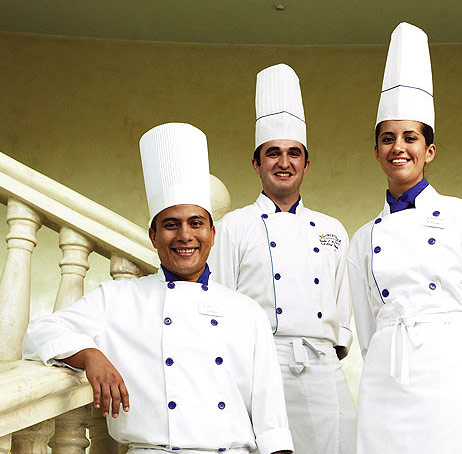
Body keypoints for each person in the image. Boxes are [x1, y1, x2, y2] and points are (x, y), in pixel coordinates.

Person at [23, 123, 293, 454]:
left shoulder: (246, 311)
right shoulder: (118, 299)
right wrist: (90, 356)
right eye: (170, 224)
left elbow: (272, 422)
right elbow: (39, 332)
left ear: (212, 233)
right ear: (153, 236)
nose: (185, 236)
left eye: (196, 223)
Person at [347, 22, 462, 454]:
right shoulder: (362, 239)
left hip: (454, 377)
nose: (398, 147)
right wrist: (384, 363)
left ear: (429, 150)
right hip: (387, 380)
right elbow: (368, 331)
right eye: (387, 139)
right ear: (377, 152)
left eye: (410, 138)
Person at [208, 64, 355, 454]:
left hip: (323, 368)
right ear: (256, 163)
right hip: (260, 367)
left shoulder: (333, 230)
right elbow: (220, 304)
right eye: (273, 153)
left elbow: (342, 306)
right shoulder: (233, 227)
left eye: (294, 153)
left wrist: (329, 350)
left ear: (306, 164)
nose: (284, 162)